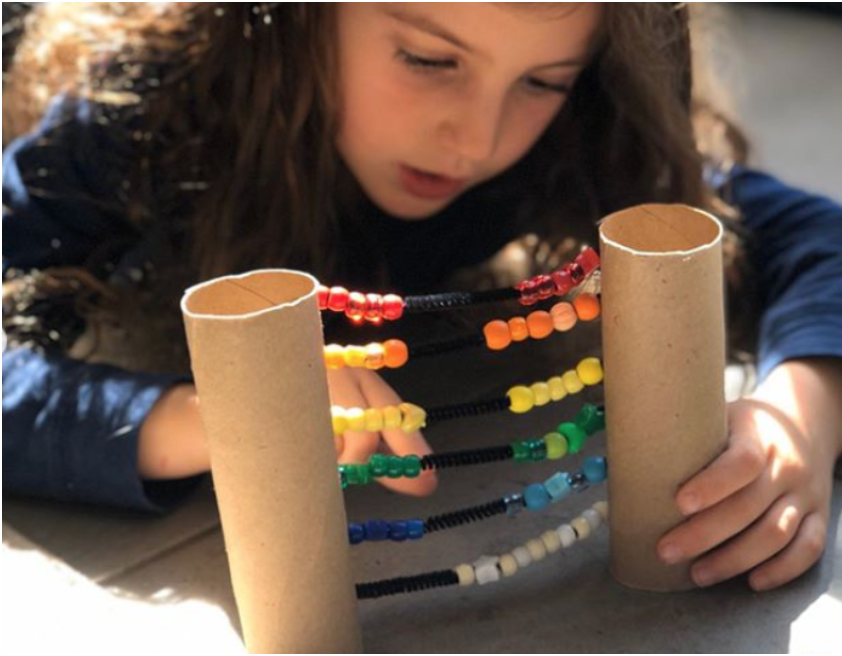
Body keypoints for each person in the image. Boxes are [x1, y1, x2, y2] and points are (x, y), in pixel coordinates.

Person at [3, 3, 841, 594]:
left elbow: (807, 233)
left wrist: (802, 411)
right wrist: (218, 417)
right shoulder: (139, 112)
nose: (477, 139)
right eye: (429, 58)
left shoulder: (569, 143)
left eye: (542, 81)